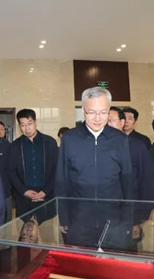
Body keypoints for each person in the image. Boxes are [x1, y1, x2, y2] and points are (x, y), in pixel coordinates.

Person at [55, 87, 133, 248]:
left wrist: (128, 219)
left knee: (113, 262)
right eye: (92, 112)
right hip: (79, 220)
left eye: (103, 112)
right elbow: (62, 179)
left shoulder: (119, 139)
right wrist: (63, 217)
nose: (98, 118)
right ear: (83, 111)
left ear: (109, 110)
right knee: (80, 262)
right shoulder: (70, 138)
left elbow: (127, 181)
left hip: (114, 221)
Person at [10, 108, 59, 222]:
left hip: (47, 195)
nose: (27, 128)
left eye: (29, 123)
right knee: (25, 230)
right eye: (23, 125)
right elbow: (12, 172)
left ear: (35, 122)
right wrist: (24, 191)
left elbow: (56, 169)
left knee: (47, 230)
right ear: (19, 126)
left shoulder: (50, 142)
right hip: (24, 197)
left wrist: (45, 191)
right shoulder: (15, 145)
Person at [108, 107, 154, 201]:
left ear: (122, 122)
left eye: (112, 120)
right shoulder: (98, 144)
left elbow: (146, 178)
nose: (108, 124)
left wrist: (145, 205)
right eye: (106, 121)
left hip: (131, 200)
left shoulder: (138, 145)